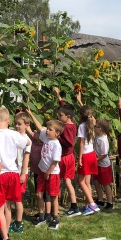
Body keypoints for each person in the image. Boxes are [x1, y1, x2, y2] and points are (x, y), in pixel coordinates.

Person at [0, 107, 28, 240]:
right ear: (8, 121)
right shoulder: (13, 134)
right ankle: (5, 232)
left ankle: (4, 237)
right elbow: (26, 143)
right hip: (13, 173)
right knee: (8, 206)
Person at [26, 109, 63, 230]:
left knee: (53, 196)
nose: (47, 130)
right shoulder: (46, 138)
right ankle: (42, 216)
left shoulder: (56, 145)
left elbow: (55, 161)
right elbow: (39, 126)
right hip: (43, 172)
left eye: (50, 130)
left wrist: (48, 172)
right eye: (47, 129)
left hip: (52, 173)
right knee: (38, 193)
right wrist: (31, 114)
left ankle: (55, 218)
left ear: (57, 133)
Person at [52, 87, 79, 216]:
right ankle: (71, 205)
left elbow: (69, 142)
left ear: (67, 117)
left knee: (65, 181)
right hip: (68, 157)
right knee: (65, 181)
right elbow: (65, 108)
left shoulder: (67, 128)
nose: (58, 117)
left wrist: (57, 136)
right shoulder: (71, 122)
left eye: (60, 115)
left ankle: (73, 206)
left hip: (65, 157)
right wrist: (59, 97)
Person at [10, 112, 31, 232]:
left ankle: (18, 224)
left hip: (20, 172)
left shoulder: (27, 140)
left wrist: (23, 173)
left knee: (18, 199)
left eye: (19, 124)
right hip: (13, 171)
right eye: (16, 124)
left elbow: (26, 158)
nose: (17, 126)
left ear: (26, 125)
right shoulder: (14, 136)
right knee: (13, 198)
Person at [77, 105, 100, 216]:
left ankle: (92, 204)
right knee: (87, 182)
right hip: (92, 154)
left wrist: (79, 158)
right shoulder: (92, 123)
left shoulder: (82, 126)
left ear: (80, 116)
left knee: (81, 181)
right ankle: (88, 205)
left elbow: (81, 143)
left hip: (85, 155)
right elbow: (90, 116)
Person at [93, 119, 114, 209]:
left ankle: (110, 202)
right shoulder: (98, 137)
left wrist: (96, 160)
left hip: (103, 165)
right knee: (96, 181)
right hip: (98, 164)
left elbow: (104, 154)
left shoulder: (103, 140)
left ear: (100, 129)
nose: (94, 128)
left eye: (95, 127)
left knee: (106, 183)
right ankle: (100, 199)